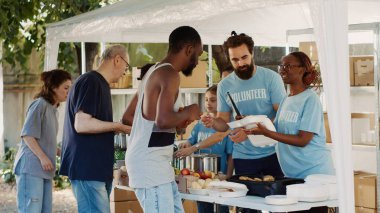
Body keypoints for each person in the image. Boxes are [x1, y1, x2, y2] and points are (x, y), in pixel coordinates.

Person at [123, 26, 202, 213]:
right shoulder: (169, 74)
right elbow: (162, 120)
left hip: (154, 164)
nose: (198, 61)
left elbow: (130, 117)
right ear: (188, 50)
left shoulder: (153, 72)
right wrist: (189, 111)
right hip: (150, 167)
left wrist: (177, 121)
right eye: (198, 55)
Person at [248, 52, 335, 213]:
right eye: (281, 65)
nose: (282, 69)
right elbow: (275, 129)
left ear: (303, 70)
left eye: (289, 66)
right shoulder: (286, 99)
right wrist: (251, 126)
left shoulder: (311, 99)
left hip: (314, 176)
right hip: (293, 176)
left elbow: (303, 139)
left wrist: (267, 133)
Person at [202, 31, 286, 178]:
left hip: (275, 153)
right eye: (235, 60)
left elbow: (282, 117)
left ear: (252, 53)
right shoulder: (224, 86)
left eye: (244, 57)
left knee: (276, 197)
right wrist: (213, 122)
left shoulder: (271, 78)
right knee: (248, 200)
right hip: (243, 157)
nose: (240, 63)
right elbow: (224, 123)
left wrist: (249, 131)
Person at [59, 45, 131, 213]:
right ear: (117, 59)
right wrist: (118, 126)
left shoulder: (100, 84)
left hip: (96, 169)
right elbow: (82, 124)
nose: (125, 73)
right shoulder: (91, 81)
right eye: (126, 67)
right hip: (87, 168)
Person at [13, 69, 72, 213]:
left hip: (44, 170)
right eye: (65, 88)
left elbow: (45, 141)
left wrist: (60, 153)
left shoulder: (53, 110)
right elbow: (27, 135)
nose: (68, 92)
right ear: (53, 87)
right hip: (31, 168)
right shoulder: (39, 105)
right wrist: (43, 157)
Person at [176, 85, 233, 213]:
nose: (208, 103)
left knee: (221, 207)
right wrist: (187, 144)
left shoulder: (226, 126)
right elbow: (192, 140)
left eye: (213, 100)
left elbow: (230, 154)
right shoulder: (200, 124)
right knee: (203, 207)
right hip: (199, 176)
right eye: (206, 100)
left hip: (219, 177)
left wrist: (228, 175)